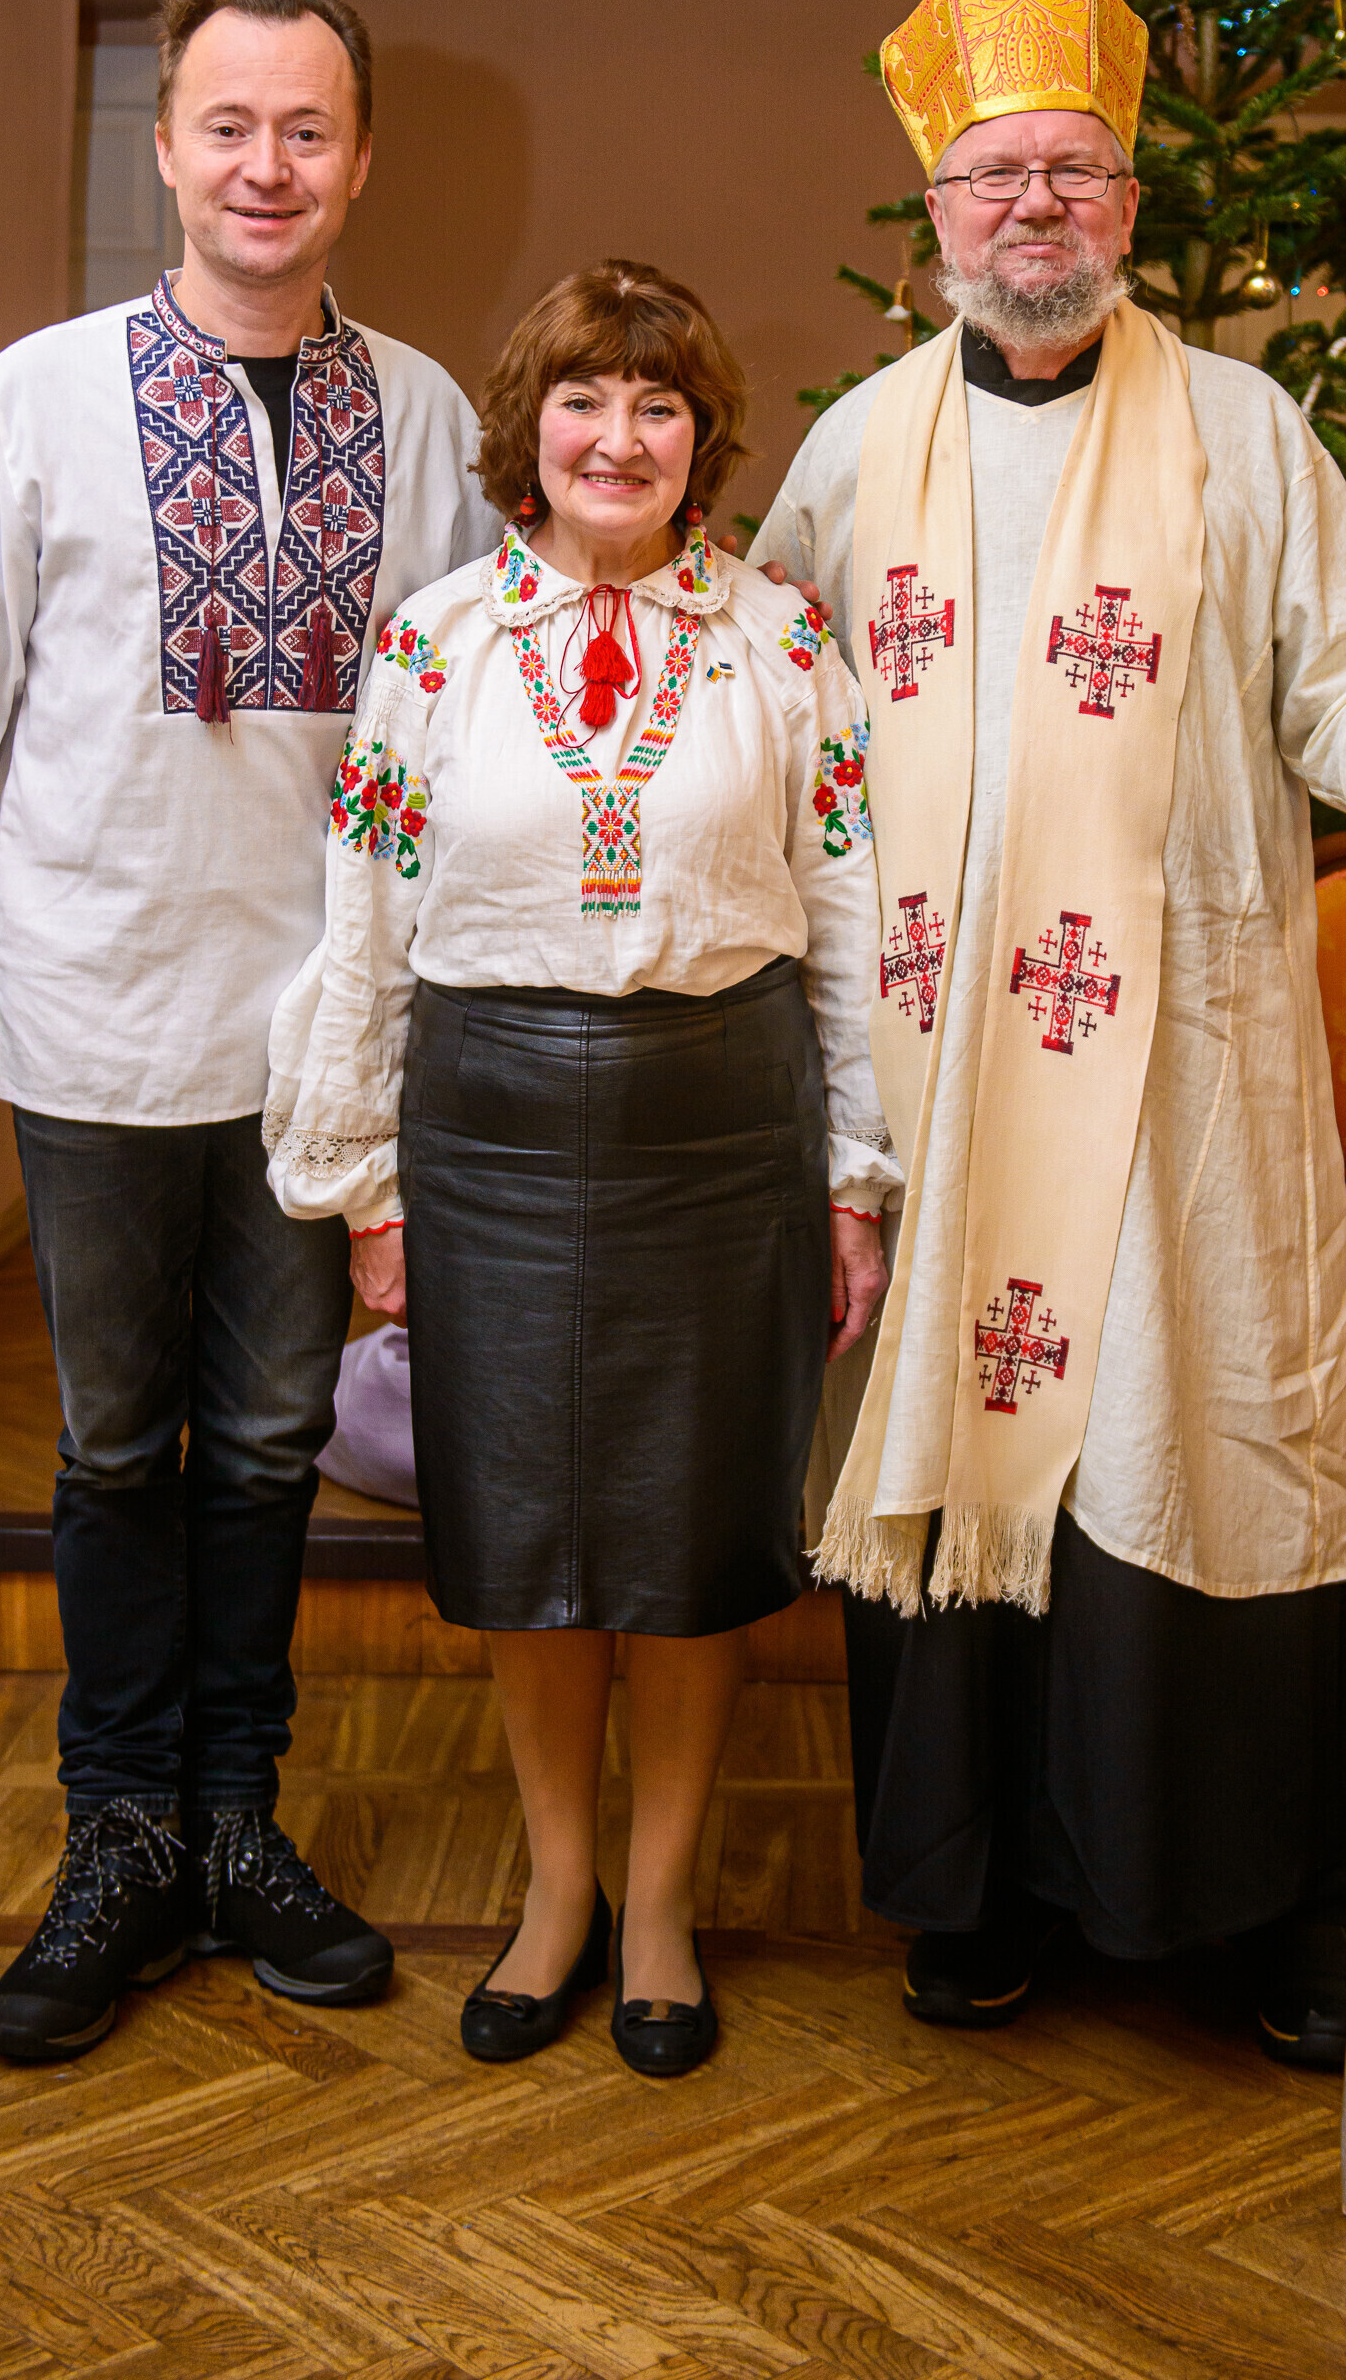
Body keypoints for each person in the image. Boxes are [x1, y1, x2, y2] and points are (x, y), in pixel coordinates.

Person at [748, 0, 1346, 2065]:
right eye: (994, 173)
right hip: (937, 1069)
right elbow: (773, 720)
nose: (1035, 206)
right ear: (935, 209)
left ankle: (1246, 1910)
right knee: (961, 1435)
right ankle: (974, 1895)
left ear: (1128, 201)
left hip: (1176, 1051)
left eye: (1074, 170)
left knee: (1187, 1444)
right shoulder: (853, 447)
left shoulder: (1241, 432)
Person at [0, 0, 499, 2062]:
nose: (264, 166)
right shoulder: (32, 401)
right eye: (228, 124)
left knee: (278, 1442)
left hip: (323, 1037)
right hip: (100, 1012)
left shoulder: (428, 415)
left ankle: (237, 1826)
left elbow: (466, 718)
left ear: (359, 159)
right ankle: (116, 1837)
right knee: (117, 1445)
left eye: (305, 129)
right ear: (165, 148)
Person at [266, 259, 898, 2075]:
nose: (618, 438)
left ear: (702, 439)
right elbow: (368, 919)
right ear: (526, 430)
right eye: (583, 400)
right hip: (488, 1137)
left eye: (657, 405)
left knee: (690, 1541)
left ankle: (664, 1905)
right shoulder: (430, 643)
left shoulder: (784, 642)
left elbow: (848, 915)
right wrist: (371, 1185)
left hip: (727, 1132)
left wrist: (851, 1177)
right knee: (526, 1535)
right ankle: (557, 1894)